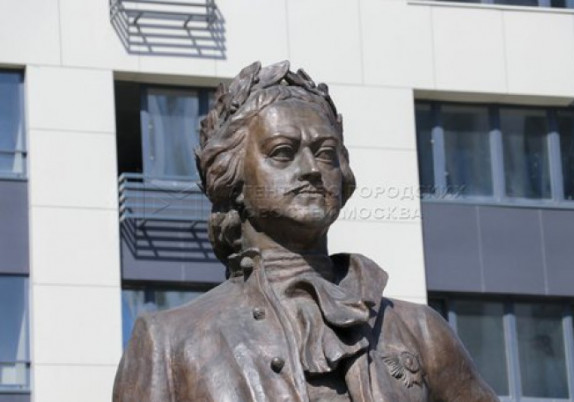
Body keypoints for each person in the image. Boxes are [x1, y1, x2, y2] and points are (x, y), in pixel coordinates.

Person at [113, 61, 498, 402]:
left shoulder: (420, 330)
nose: (312, 169)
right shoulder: (169, 341)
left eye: (326, 153)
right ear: (233, 178)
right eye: (283, 152)